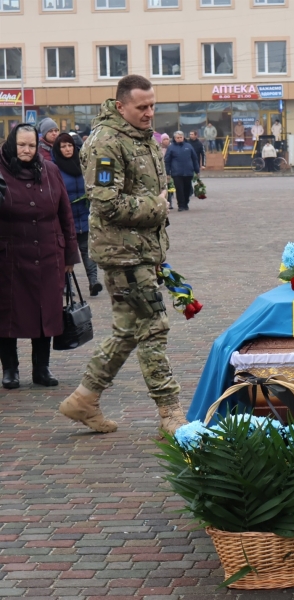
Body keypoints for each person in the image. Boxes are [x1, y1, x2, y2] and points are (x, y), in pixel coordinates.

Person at [60, 74, 186, 435]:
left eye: (152, 105)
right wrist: (157, 207)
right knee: (153, 328)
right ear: (121, 106)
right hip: (123, 256)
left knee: (128, 331)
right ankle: (171, 413)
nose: (149, 113)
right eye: (142, 107)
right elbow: (106, 202)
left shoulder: (140, 136)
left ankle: (84, 399)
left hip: (142, 252)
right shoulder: (106, 142)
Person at [0, 124, 81, 390]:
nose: (26, 150)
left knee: (45, 312)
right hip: (10, 255)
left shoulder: (51, 170)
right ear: (12, 144)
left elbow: (65, 214)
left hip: (48, 253)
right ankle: (10, 369)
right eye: (21, 145)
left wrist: (70, 254)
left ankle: (41, 369)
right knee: (7, 314)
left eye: (31, 145)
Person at [53, 132, 103, 297]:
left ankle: (93, 282)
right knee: (66, 252)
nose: (67, 149)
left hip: (84, 215)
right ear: (58, 149)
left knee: (87, 249)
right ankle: (67, 284)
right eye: (63, 146)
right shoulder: (54, 168)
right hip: (65, 219)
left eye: (70, 146)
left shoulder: (83, 164)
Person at [164, 131, 200, 212]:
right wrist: (167, 173)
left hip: (188, 172)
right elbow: (167, 161)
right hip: (176, 172)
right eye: (177, 138)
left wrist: (197, 170)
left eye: (181, 137)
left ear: (183, 138)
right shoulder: (171, 148)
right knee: (179, 189)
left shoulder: (189, 146)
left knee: (187, 189)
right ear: (174, 138)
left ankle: (186, 203)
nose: (179, 139)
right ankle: (181, 205)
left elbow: (194, 159)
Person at [159, 135, 174, 210]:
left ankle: (169, 202)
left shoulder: (172, 148)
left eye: (167, 139)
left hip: (170, 170)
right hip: (160, 170)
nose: (166, 141)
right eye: (164, 139)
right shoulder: (158, 148)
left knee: (169, 186)